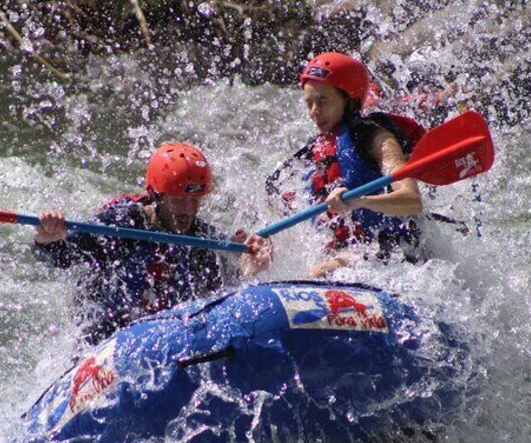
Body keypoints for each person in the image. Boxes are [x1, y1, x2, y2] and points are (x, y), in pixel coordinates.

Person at [33, 141, 272, 345]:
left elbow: (223, 292)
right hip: (106, 336)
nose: (188, 211)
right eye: (178, 200)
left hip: (162, 338)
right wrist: (47, 238)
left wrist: (249, 267)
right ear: (158, 196)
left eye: (195, 201)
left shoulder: (203, 239)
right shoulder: (122, 224)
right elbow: (60, 257)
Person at [268, 52, 425, 278]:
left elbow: (412, 200)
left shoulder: (377, 138)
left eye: (323, 101)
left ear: (348, 99)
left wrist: (360, 201)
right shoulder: (315, 151)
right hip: (350, 257)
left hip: (396, 253)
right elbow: (275, 203)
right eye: (309, 103)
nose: (314, 112)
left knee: (317, 273)